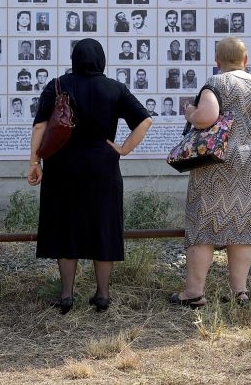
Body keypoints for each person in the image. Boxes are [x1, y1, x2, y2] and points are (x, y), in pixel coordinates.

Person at [169, 37, 251, 308]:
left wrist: (190, 112)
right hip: (248, 161)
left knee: (203, 223)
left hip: (214, 162)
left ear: (218, 62)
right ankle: (240, 291)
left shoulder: (216, 83)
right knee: (241, 224)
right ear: (245, 60)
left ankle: (194, 292)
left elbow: (207, 117)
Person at [28, 38, 152, 313]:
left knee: (65, 227)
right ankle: (103, 295)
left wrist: (34, 162)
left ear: (74, 59)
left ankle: (66, 296)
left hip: (62, 166)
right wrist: (123, 149)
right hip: (103, 167)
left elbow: (40, 127)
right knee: (103, 227)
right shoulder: (115, 89)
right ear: (102, 60)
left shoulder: (58, 85)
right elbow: (145, 120)